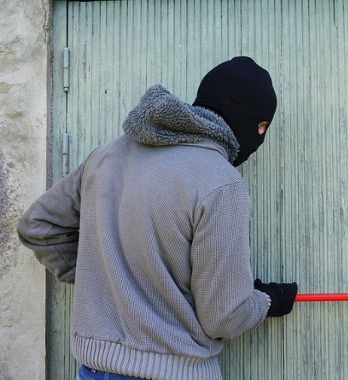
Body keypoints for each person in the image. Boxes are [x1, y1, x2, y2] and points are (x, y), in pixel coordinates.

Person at [17, 56, 297, 380]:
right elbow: (224, 316)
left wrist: (107, 275)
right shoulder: (220, 181)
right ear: (243, 117)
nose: (259, 137)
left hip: (92, 370)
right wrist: (267, 301)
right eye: (261, 126)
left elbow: (38, 226)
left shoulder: (107, 156)